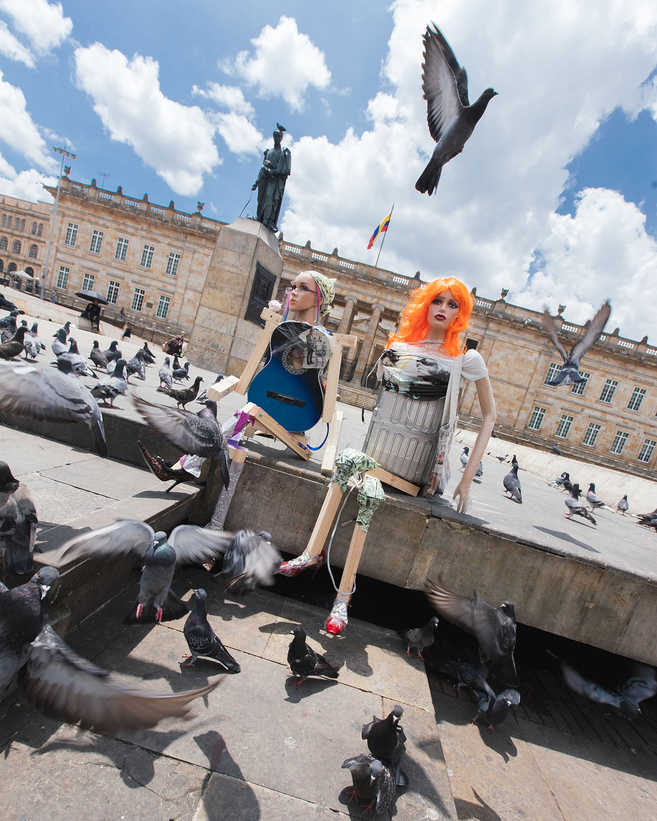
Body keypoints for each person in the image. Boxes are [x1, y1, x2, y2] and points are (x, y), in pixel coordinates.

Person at [280, 276, 496, 633]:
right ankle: (333, 586)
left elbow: (490, 417)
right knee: (357, 477)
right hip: (378, 452)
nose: (443, 309)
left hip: (416, 466)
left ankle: (326, 573)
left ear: (461, 312)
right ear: (425, 304)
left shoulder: (466, 359)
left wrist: (466, 481)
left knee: (360, 478)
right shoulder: (402, 345)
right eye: (437, 301)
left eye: (452, 304)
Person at [252, 127, 291, 232]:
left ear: (281, 138)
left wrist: (272, 170)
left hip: (274, 180)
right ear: (273, 137)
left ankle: (266, 220)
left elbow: (286, 170)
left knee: (270, 199)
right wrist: (256, 182)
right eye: (275, 135)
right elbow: (262, 167)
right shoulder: (268, 152)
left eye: (279, 136)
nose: (277, 138)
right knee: (261, 200)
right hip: (264, 179)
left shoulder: (284, 153)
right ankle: (259, 217)